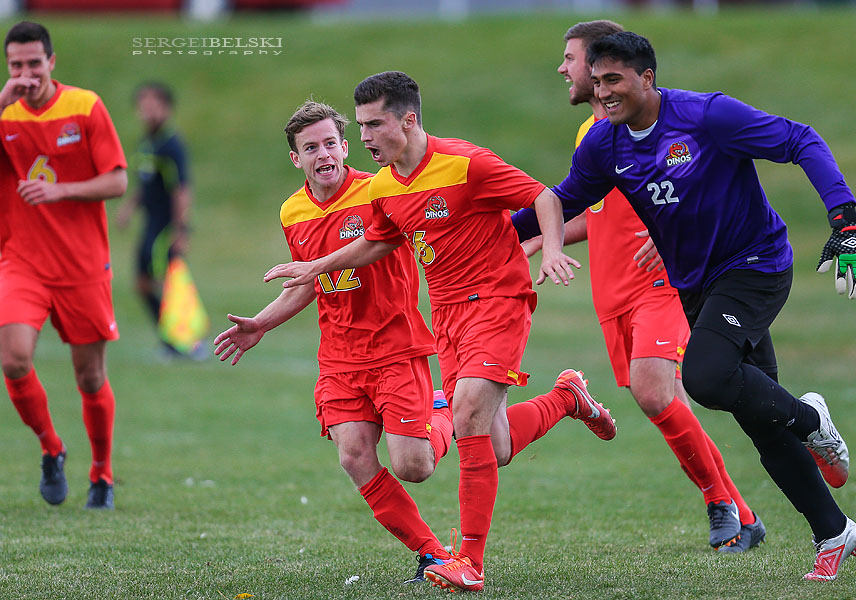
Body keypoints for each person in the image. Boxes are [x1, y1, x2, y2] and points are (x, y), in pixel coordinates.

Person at [515, 31, 856, 582]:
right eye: (600, 80)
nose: (605, 93)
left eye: (616, 80)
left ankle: (812, 419)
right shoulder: (604, 144)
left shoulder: (707, 116)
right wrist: (486, 235)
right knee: (759, 421)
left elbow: (802, 140)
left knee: (705, 377)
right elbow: (560, 200)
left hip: (756, 265)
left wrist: (845, 222)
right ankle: (834, 532)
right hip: (696, 283)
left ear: (647, 77)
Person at [262, 71, 617, 593]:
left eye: (372, 125)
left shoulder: (465, 162)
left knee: (470, 410)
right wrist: (316, 268)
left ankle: (467, 561)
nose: (363, 139)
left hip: (498, 299)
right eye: (358, 126)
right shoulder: (385, 186)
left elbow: (543, 196)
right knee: (490, 445)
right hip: (447, 315)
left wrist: (555, 247)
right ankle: (567, 398)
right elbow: (376, 243)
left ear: (407, 120)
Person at [516, 19, 763, 553]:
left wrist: (682, 233)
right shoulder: (596, 138)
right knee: (666, 399)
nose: (565, 68)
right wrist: (544, 238)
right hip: (611, 292)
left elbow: (686, 193)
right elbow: (598, 212)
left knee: (655, 391)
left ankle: (719, 503)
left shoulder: (647, 128)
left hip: (660, 284)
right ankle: (743, 514)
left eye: (571, 58)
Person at [213, 100, 457, 584]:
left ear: (346, 147)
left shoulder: (379, 191)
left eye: (330, 144)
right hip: (340, 357)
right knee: (354, 455)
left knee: (415, 466)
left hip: (395, 346)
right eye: (311, 148)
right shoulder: (292, 210)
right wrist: (261, 323)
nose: (323, 154)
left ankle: (442, 405)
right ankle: (433, 553)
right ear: (296, 159)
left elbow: (387, 243)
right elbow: (306, 281)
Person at [0, 21, 128, 509]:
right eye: (16, 65)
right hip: (22, 261)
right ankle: (51, 448)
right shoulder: (5, 112)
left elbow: (116, 182)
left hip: (82, 266)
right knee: (13, 359)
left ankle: (102, 474)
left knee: (90, 378)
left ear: (52, 62)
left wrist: (60, 191)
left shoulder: (85, 106)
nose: (26, 73)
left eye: (34, 63)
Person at [116, 82, 199, 358]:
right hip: (149, 225)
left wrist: (181, 229)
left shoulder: (172, 145)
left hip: (165, 227)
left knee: (169, 284)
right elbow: (146, 183)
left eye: (153, 106)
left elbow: (181, 189)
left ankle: (190, 343)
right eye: (143, 106)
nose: (147, 112)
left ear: (166, 108)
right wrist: (129, 207)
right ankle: (169, 339)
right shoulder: (147, 144)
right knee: (142, 283)